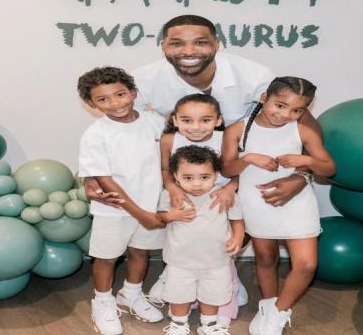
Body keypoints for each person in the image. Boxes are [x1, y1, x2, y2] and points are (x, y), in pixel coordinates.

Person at [86, 14, 321, 222]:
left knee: (245, 230)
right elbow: (117, 126)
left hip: (245, 166)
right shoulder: (144, 78)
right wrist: (91, 174)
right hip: (184, 172)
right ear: (163, 47)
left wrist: (302, 175)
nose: (189, 51)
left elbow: (303, 122)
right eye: (176, 43)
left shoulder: (254, 75)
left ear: (217, 44)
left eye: (200, 42)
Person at [221, 76, 336, 335]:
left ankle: (278, 313)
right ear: (264, 98)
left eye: (296, 110)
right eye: (280, 105)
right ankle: (267, 305)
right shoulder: (237, 130)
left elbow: (329, 168)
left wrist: (307, 160)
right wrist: (249, 158)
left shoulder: (302, 130)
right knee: (265, 257)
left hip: (297, 204)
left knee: (306, 264)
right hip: (257, 201)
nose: (285, 115)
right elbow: (226, 168)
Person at [77, 66, 166, 335]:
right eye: (103, 99)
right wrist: (140, 213)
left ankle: (131, 294)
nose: (115, 103)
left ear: (133, 93)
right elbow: (104, 179)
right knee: (107, 257)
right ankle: (103, 301)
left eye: (120, 94)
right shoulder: (96, 134)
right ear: (92, 104)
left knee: (140, 251)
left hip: (151, 204)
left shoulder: (155, 122)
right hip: (114, 208)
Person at [150, 93, 242, 325]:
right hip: (182, 192)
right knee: (184, 239)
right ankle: (174, 280)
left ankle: (224, 290)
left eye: (205, 120)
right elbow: (165, 169)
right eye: (187, 120)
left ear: (218, 120)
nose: (196, 127)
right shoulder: (169, 139)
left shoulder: (226, 137)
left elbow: (236, 169)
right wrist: (172, 188)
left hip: (218, 198)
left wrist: (230, 188)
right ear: (175, 119)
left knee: (218, 246)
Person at [157, 145, 245, 335]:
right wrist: (172, 215)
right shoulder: (171, 195)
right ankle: (178, 324)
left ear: (216, 175)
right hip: (180, 260)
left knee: (212, 294)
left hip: (216, 260)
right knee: (179, 294)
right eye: (188, 178)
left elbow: (237, 221)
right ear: (176, 176)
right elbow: (160, 217)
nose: (197, 184)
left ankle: (209, 325)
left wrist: (238, 237)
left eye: (205, 177)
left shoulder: (225, 196)